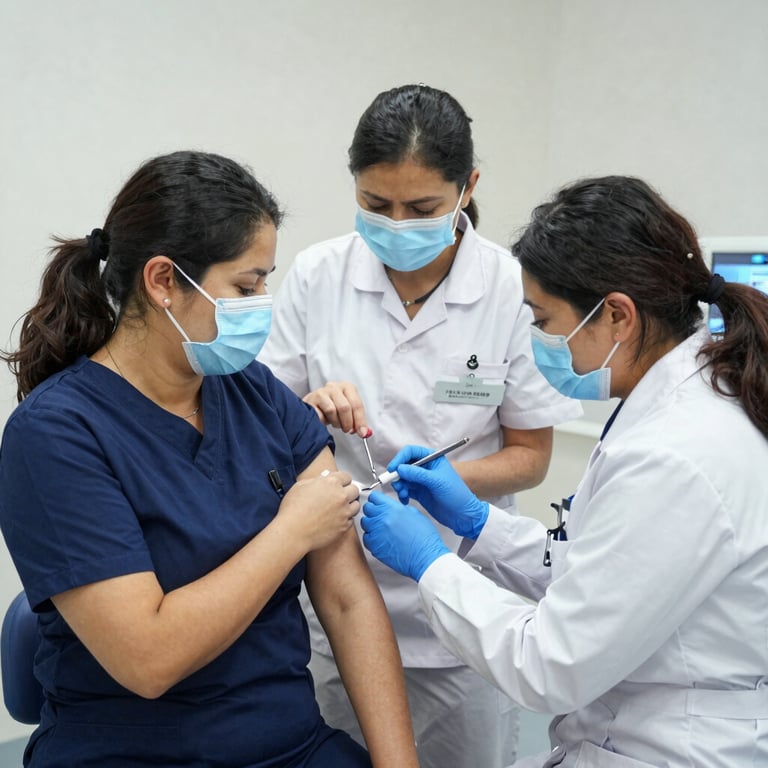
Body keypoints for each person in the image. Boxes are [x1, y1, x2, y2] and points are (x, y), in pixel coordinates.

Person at [0, 150, 419, 768]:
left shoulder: (257, 394)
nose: (262, 303)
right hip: (131, 754)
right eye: (246, 286)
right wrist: (290, 531)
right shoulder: (57, 434)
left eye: (265, 282)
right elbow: (148, 660)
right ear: (164, 281)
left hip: (291, 746)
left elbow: (347, 598)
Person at [360, 174, 768, 767]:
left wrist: (431, 564)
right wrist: (479, 523)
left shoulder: (677, 454)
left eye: (545, 320)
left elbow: (550, 665)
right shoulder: (685, 401)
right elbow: (597, 569)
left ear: (617, 317)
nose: (538, 340)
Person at [259, 84, 581, 768]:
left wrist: (442, 484)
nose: (398, 225)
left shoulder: (509, 287)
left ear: (468, 188)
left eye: (423, 208)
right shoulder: (319, 275)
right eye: (376, 206)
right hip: (337, 599)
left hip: (463, 616)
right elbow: (264, 429)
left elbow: (529, 456)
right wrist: (308, 408)